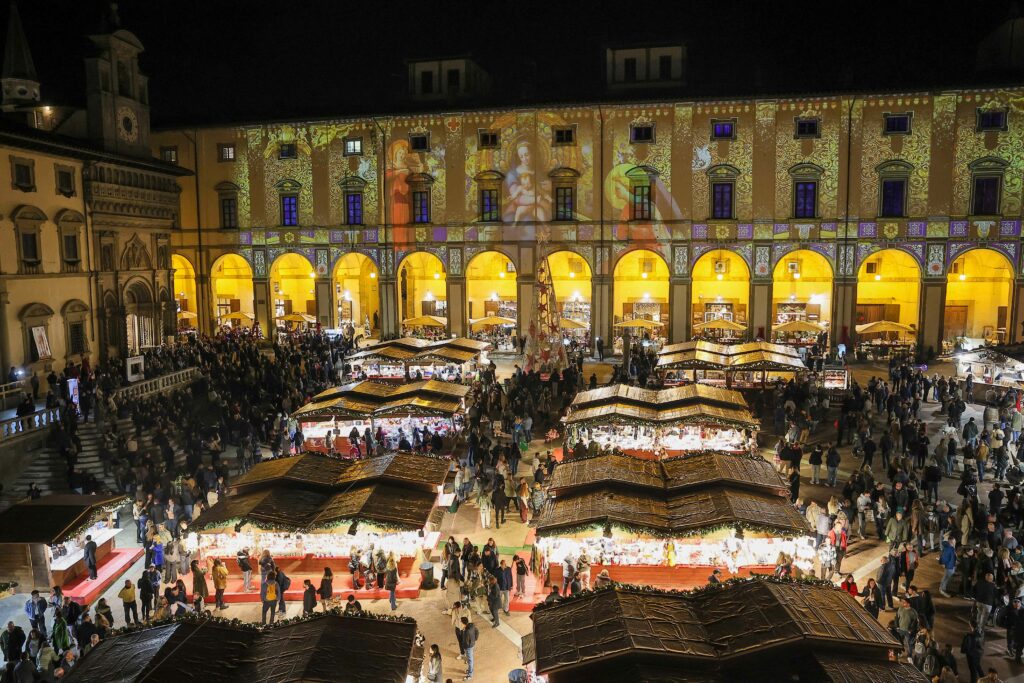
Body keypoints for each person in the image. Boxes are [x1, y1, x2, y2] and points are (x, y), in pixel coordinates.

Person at [462, 616, 478, 680]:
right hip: (471, 645)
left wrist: (465, 646)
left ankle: (470, 675)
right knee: (469, 659)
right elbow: (477, 632)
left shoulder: (466, 631)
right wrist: (474, 639)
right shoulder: (472, 626)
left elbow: (465, 640)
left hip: (468, 647)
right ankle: (469, 670)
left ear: (463, 623)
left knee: (470, 660)